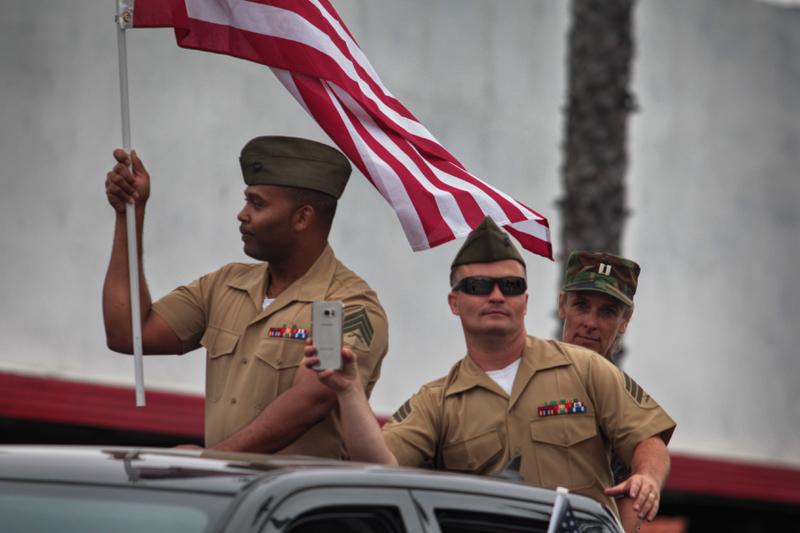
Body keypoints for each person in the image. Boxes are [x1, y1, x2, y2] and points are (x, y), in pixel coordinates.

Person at [305, 217, 675, 526]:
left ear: (525, 301)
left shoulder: (587, 369)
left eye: (511, 286)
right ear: (455, 302)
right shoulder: (438, 402)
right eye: (479, 286)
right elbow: (378, 471)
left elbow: (648, 440)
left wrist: (647, 479)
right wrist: (349, 391)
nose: (496, 295)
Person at [103, 136, 388, 457]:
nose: (242, 214)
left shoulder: (344, 305)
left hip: (299, 501)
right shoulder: (225, 285)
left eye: (258, 203)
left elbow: (312, 399)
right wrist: (129, 214)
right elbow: (128, 333)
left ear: (302, 218)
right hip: (229, 495)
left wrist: (213, 460)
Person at [558, 250, 648, 532]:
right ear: (563, 304)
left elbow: (630, 506)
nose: (591, 323)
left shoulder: (625, 407)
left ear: (625, 320)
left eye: (607, 312)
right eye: (581, 305)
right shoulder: (518, 374)